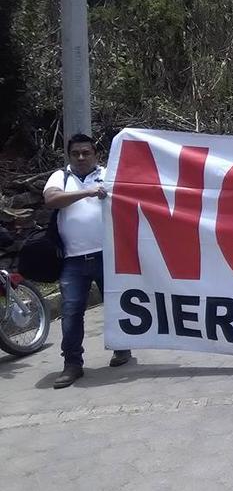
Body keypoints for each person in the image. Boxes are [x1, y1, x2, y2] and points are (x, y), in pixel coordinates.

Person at [43, 134, 132, 389]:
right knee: (71, 312)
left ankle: (122, 348)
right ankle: (72, 364)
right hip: (73, 259)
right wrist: (87, 193)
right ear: (69, 156)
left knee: (116, 304)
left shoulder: (109, 174)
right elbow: (51, 199)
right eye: (76, 154)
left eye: (86, 153)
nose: (81, 158)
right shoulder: (61, 177)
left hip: (109, 254)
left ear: (96, 154)